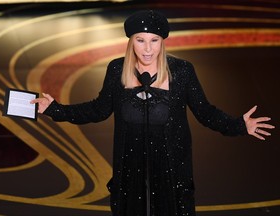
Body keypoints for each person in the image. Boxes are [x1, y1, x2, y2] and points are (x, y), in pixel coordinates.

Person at [31, 10, 275, 216]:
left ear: (162, 41)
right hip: (130, 172)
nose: (147, 49)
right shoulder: (117, 70)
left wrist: (239, 125)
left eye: (154, 40)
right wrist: (56, 109)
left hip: (171, 173)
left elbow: (205, 112)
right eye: (140, 40)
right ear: (131, 42)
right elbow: (99, 109)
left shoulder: (182, 72)